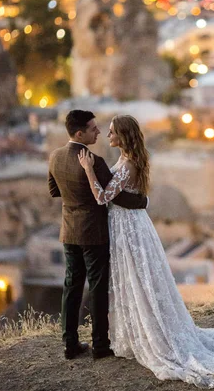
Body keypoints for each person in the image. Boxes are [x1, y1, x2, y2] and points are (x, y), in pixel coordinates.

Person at [78, 114, 214, 388]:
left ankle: (155, 335)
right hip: (127, 225)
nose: (108, 136)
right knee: (133, 279)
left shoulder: (128, 163)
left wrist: (87, 168)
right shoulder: (127, 160)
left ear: (123, 135)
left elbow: (102, 197)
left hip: (129, 228)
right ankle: (141, 332)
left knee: (139, 278)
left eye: (111, 132)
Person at [48, 110, 148, 361]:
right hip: (93, 233)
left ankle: (70, 344)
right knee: (98, 287)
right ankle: (100, 345)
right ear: (80, 133)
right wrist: (143, 201)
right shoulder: (96, 161)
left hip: (69, 230)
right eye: (93, 129)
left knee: (71, 286)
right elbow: (114, 197)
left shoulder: (55, 157)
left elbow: (53, 190)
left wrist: (75, 197)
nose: (99, 132)